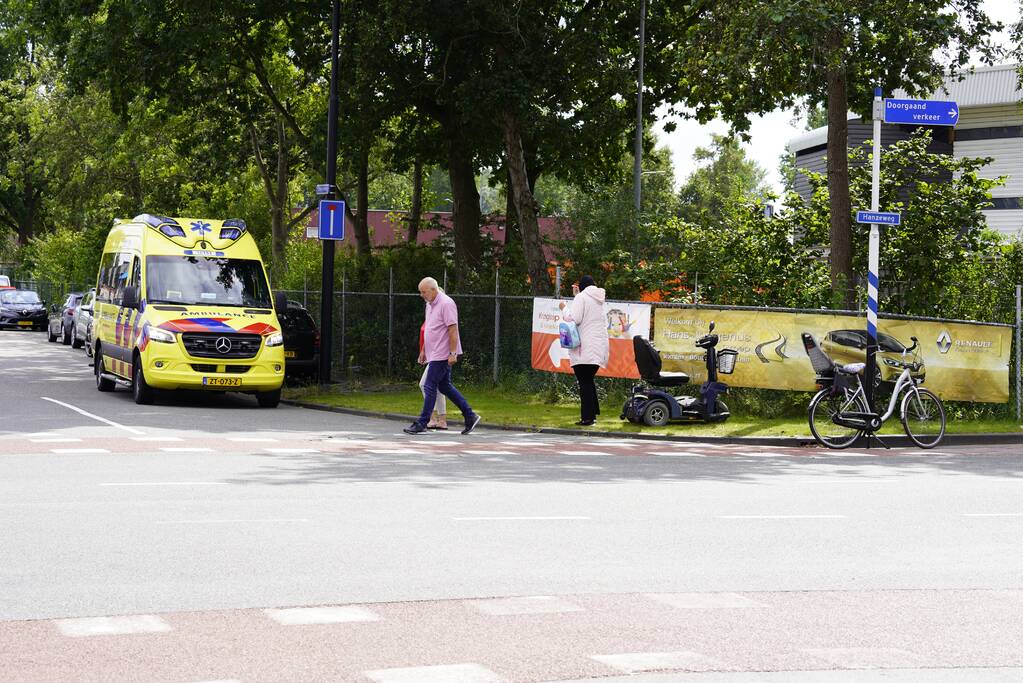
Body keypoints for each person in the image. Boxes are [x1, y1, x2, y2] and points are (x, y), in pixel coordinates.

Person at [404, 277, 481, 435]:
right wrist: (424, 350)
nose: (421, 295)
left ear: (433, 290)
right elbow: (430, 328)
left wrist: (453, 353)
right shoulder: (429, 304)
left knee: (429, 385)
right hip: (433, 353)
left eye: (423, 292)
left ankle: (422, 422)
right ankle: (470, 415)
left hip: (443, 353)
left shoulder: (446, 303)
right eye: (421, 292)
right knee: (444, 386)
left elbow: (453, 329)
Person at [559, 275, 610, 426]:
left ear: (581, 287)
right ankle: (592, 414)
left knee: (584, 382)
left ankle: (587, 418)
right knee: (588, 380)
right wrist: (577, 296)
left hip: (584, 348)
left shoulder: (581, 297)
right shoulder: (599, 299)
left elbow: (573, 318)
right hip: (598, 347)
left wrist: (564, 308)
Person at [419, 316, 447, 429]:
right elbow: (429, 336)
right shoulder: (430, 312)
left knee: (424, 384)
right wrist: (423, 350)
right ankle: (442, 420)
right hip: (433, 356)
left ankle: (433, 418)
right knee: (440, 387)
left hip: (438, 356)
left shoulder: (440, 314)